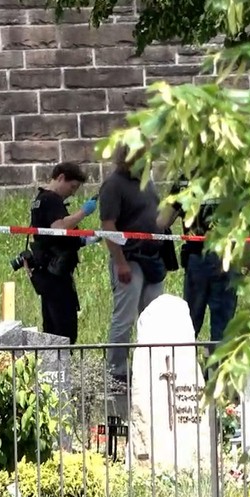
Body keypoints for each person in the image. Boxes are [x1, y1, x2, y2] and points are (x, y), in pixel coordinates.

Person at [97, 144, 179, 384]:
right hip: (130, 258)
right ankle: (116, 371)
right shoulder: (113, 185)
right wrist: (120, 262)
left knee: (154, 317)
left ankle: (151, 368)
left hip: (153, 258)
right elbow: (108, 226)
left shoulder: (146, 183)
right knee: (124, 318)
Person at [23, 162, 96, 343]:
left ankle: (53, 357)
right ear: (61, 178)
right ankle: (61, 357)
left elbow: (53, 237)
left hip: (46, 270)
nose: (73, 193)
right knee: (64, 326)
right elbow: (59, 228)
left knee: (52, 323)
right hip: (55, 271)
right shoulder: (51, 199)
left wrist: (83, 239)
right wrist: (83, 212)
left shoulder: (40, 199)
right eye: (73, 187)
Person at [170, 174, 238, 348]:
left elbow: (164, 220)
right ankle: (218, 364)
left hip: (197, 259)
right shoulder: (231, 174)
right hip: (225, 258)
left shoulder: (185, 180)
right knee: (223, 326)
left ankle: (185, 363)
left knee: (190, 324)